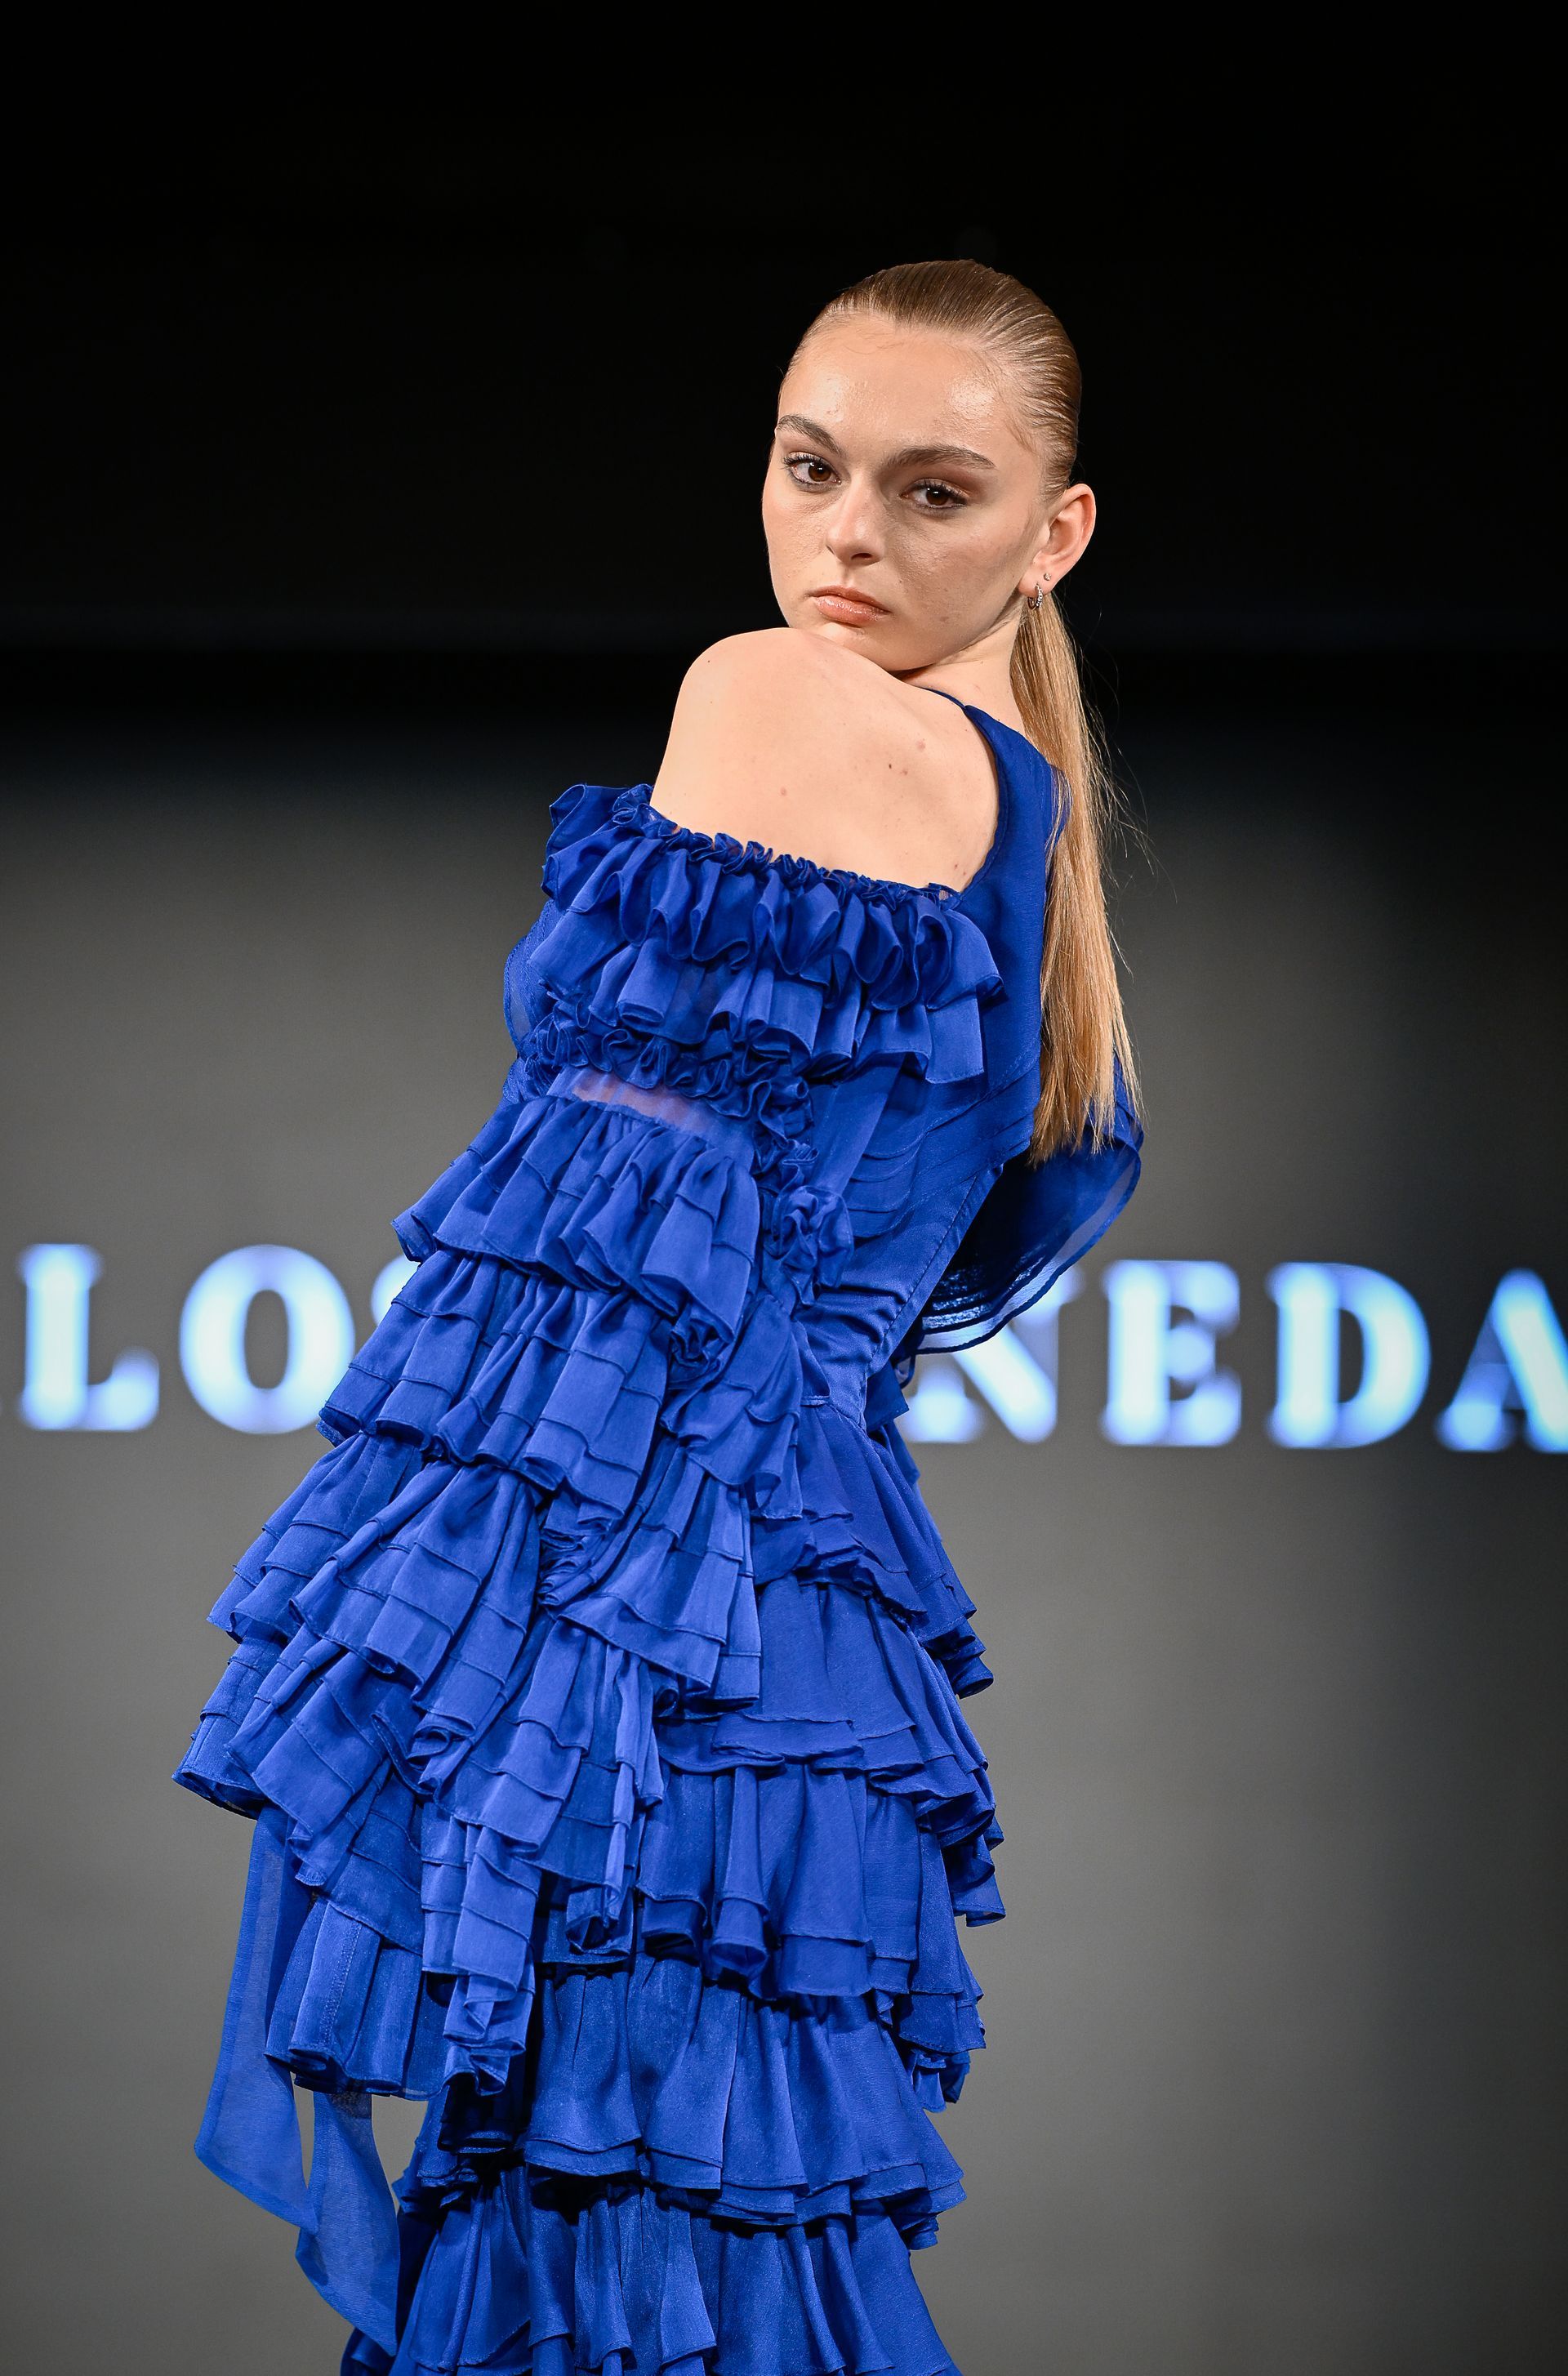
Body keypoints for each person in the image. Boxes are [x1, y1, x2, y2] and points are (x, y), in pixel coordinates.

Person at [176, 259, 1142, 2376]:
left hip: (655, 1658)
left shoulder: (775, 698)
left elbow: (601, 1265)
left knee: (596, 2267)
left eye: (934, 491)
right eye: (809, 469)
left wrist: (421, 1669)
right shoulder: (1031, 838)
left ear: (1054, 532)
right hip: (808, 1694)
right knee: (703, 2269)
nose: (846, 539)